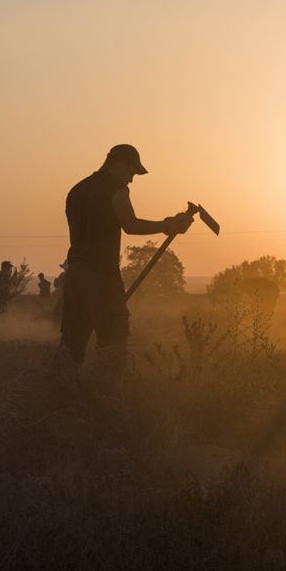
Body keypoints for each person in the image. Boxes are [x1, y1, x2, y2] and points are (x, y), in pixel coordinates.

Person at [56, 144, 192, 397]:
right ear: (120, 163)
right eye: (132, 171)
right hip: (101, 275)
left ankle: (60, 402)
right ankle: (108, 406)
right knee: (113, 345)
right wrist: (168, 225)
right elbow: (130, 225)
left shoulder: (77, 189)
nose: (132, 178)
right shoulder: (117, 189)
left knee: (71, 346)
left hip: (74, 273)